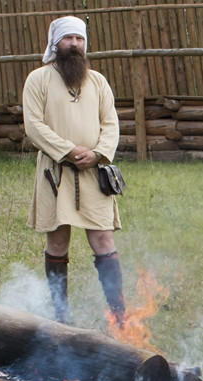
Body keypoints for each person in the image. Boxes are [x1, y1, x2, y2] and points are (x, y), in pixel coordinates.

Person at [23, 16, 125, 325]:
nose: (74, 44)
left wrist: (97, 153)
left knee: (104, 240)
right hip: (56, 173)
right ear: (55, 43)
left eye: (79, 39)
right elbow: (34, 126)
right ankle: (61, 316)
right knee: (57, 242)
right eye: (68, 38)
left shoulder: (97, 81)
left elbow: (111, 124)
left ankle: (120, 315)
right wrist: (68, 150)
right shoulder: (37, 79)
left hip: (95, 172)